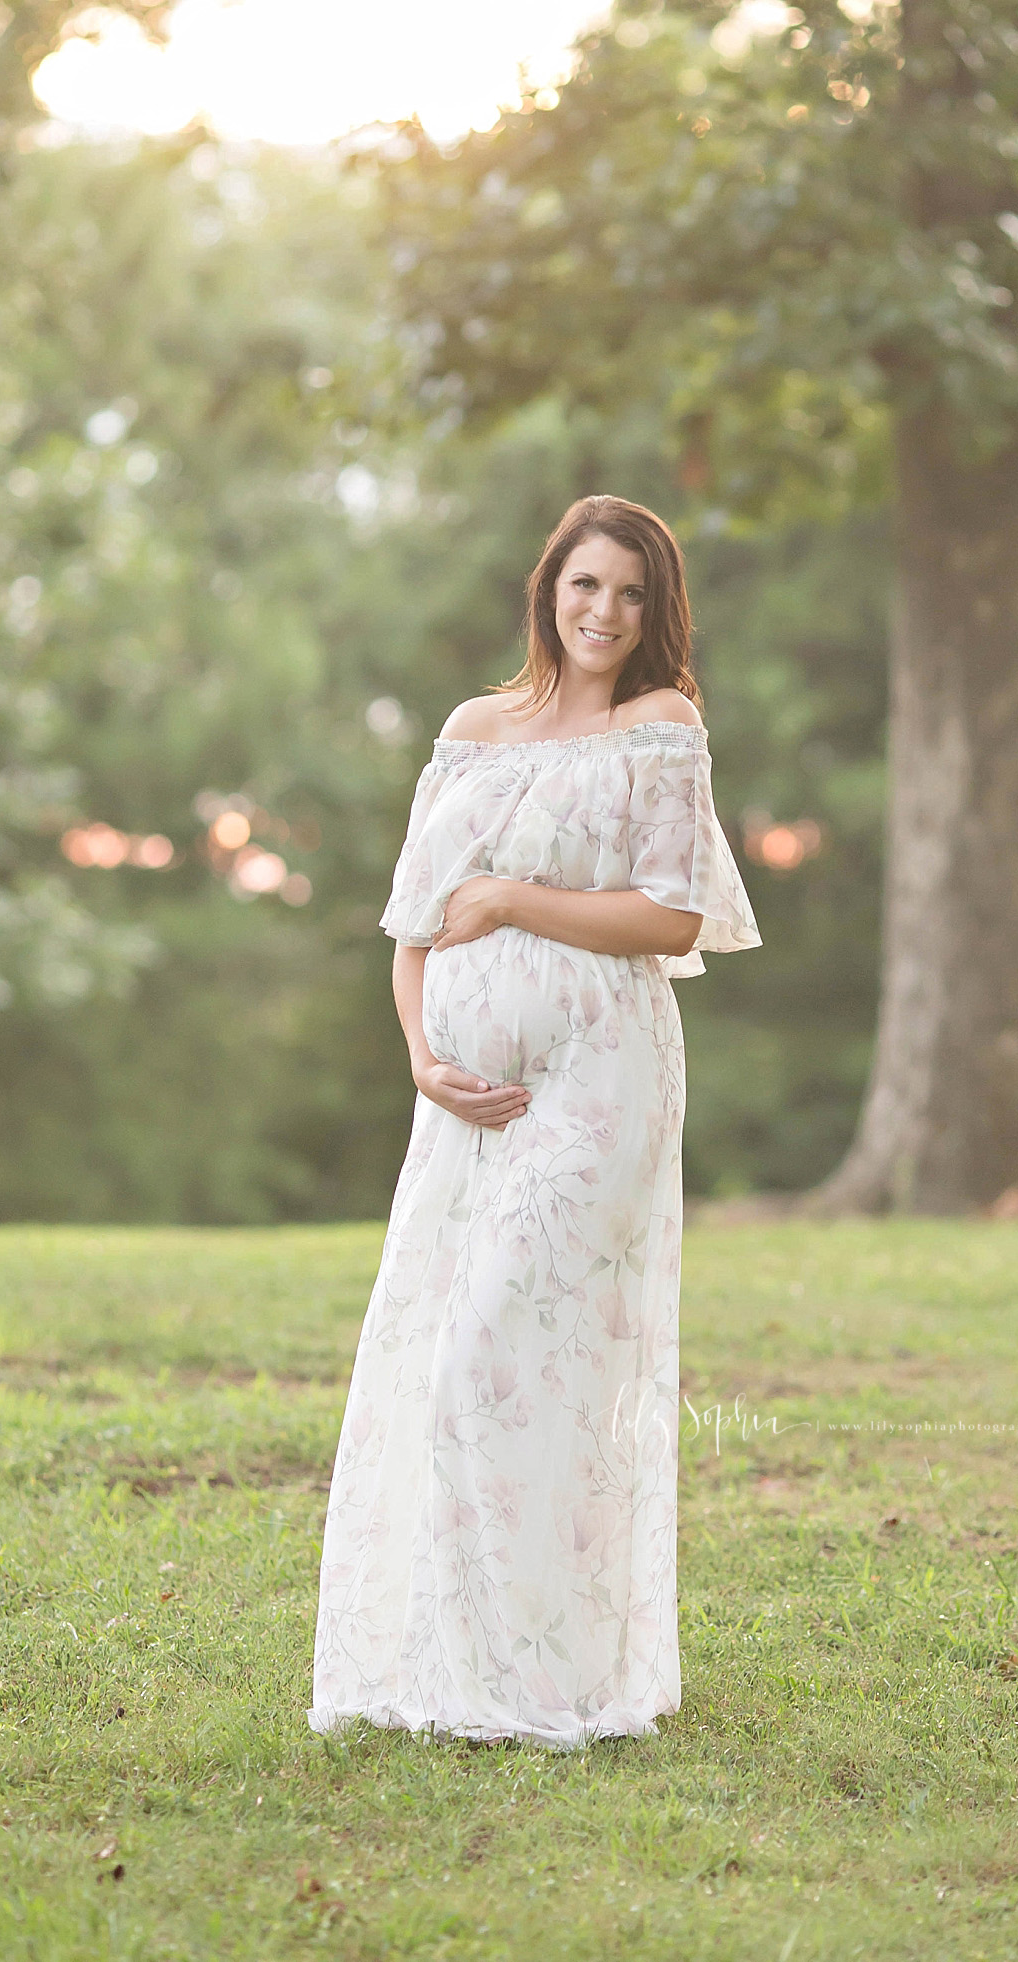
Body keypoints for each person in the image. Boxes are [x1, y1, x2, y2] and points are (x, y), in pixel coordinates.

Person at [309, 494, 760, 1746]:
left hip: (602, 1076)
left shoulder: (659, 728)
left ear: (656, 612)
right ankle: (454, 1667)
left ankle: (540, 1681)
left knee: (499, 1361)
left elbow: (669, 921)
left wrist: (511, 898)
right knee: (444, 1359)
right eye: (585, 587)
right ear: (547, 590)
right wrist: (421, 1057)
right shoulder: (471, 729)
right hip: (466, 1102)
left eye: (631, 595)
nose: (604, 614)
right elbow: (411, 928)